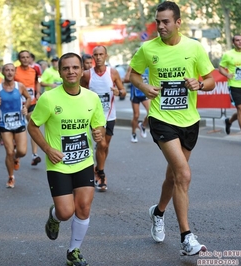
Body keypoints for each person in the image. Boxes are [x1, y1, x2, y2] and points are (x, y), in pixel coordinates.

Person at [129, 1, 215, 256]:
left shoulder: (194, 47)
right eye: (158, 21)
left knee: (173, 177)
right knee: (184, 174)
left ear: (178, 22)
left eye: (166, 21)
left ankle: (158, 212)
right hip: (161, 118)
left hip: (189, 121)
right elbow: (132, 74)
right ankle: (186, 237)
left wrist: (199, 84)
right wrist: (144, 87)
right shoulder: (148, 48)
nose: (161, 26)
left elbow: (210, 80)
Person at [28, 52, 105, 266]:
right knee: (65, 212)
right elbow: (32, 126)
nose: (71, 71)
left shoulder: (92, 98)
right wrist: (46, 149)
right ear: (60, 72)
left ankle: (73, 251)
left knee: (84, 207)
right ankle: (54, 217)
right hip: (58, 164)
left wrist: (98, 132)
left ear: (82, 70)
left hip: (83, 161)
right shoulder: (49, 99)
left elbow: (98, 125)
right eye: (66, 68)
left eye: (75, 67)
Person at [80, 45, 126, 192]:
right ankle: (101, 174)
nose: (98, 57)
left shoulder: (113, 73)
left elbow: (123, 90)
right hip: (94, 117)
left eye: (101, 54)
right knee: (102, 145)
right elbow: (80, 92)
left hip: (110, 115)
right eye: (96, 55)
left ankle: (98, 168)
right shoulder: (87, 75)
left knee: (105, 146)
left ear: (106, 56)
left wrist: (119, 92)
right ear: (92, 57)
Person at [0, 63, 31, 188]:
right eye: (7, 70)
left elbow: (28, 98)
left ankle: (17, 158)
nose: (9, 72)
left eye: (12, 70)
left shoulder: (20, 86)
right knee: (9, 152)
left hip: (19, 123)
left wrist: (26, 107)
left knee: (22, 151)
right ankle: (11, 177)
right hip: (5, 124)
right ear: (3, 72)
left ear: (15, 72)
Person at [14, 50, 42, 166]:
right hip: (17, 103)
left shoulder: (34, 70)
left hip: (32, 102)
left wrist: (38, 92)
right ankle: (17, 153)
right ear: (19, 59)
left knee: (33, 124)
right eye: (22, 57)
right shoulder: (15, 71)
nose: (25, 59)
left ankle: (34, 154)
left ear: (30, 58)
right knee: (18, 128)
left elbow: (38, 81)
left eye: (27, 57)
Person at [124, 66, 150, 143]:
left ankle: (143, 125)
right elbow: (126, 79)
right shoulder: (132, 67)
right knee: (136, 115)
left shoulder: (149, 66)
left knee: (151, 112)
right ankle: (133, 133)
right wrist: (135, 77)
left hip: (145, 93)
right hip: (135, 94)